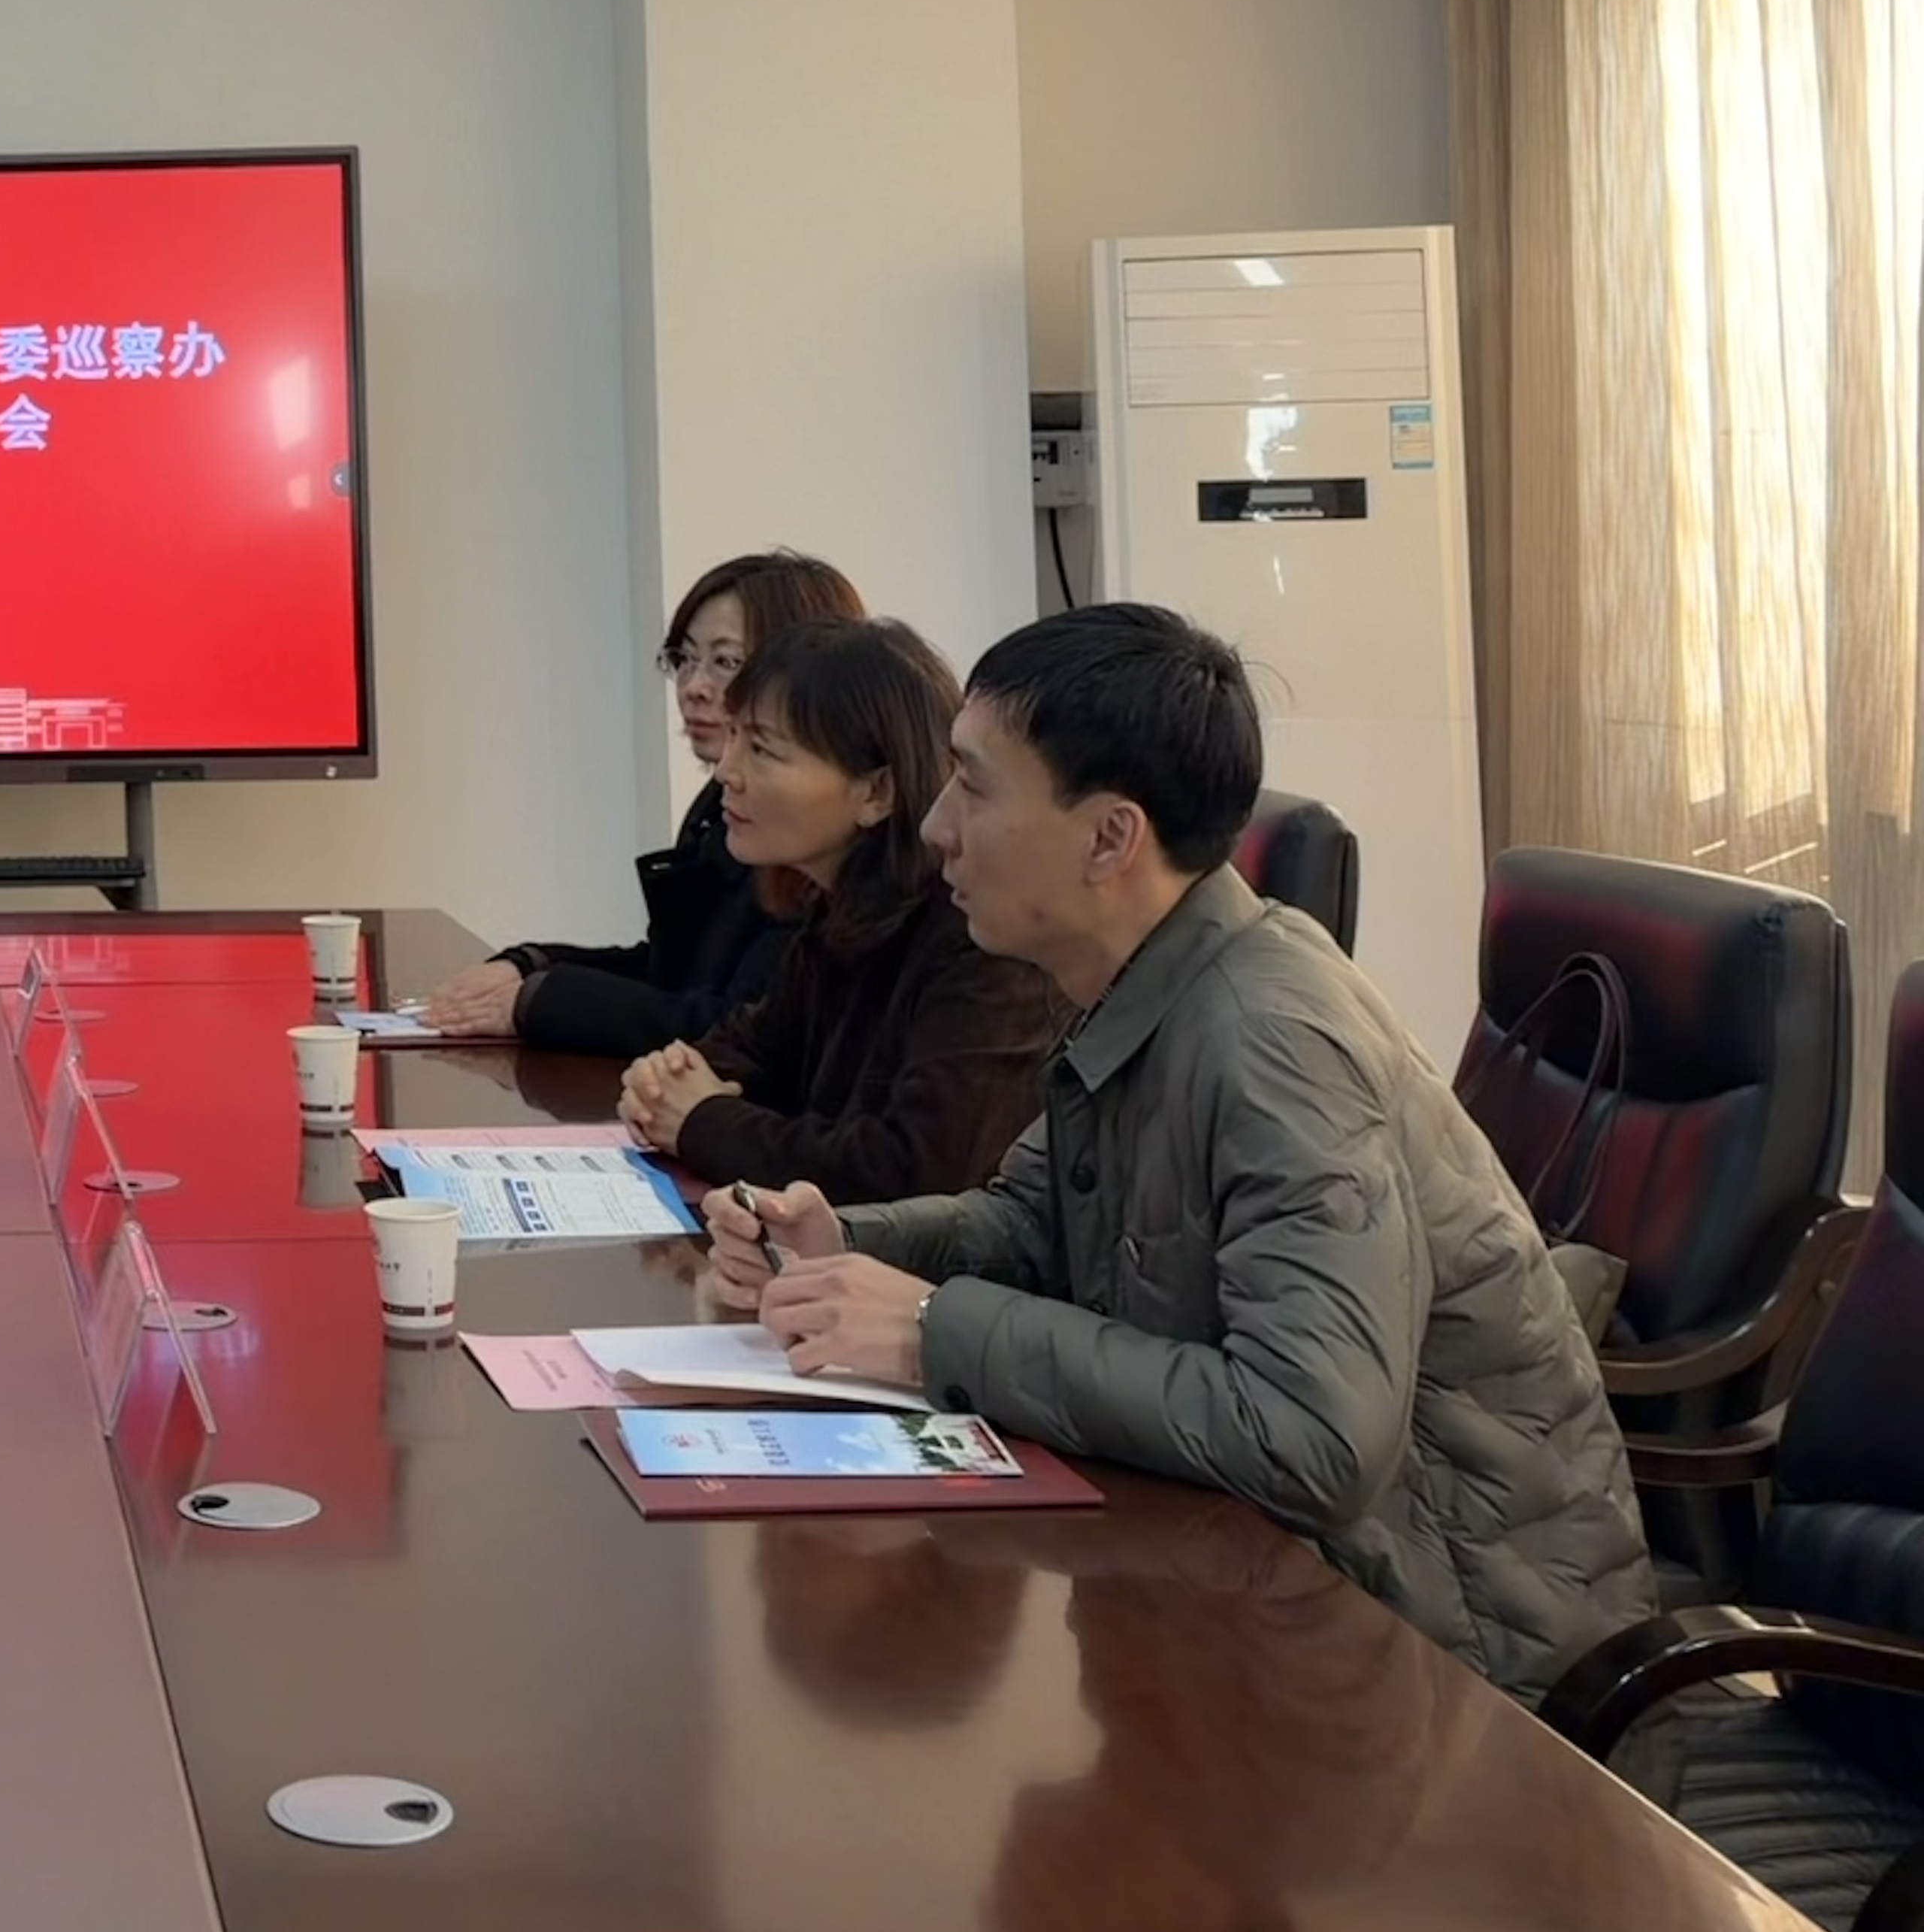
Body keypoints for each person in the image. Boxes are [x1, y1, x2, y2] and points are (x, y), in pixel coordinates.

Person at [712, 602, 1650, 1694]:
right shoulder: (1145, 979)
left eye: (974, 785)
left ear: (1112, 838)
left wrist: (933, 1331)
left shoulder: (1270, 1041)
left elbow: (1310, 1435)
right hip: (1268, 1589)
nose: (935, 827)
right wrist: (849, 1242)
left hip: (1455, 1660)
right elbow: (1031, 1221)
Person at [612, 617, 1062, 1201]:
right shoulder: (841, 907)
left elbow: (914, 1171)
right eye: (734, 738)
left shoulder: (979, 933)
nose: (726, 771)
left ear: (877, 792)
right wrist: (667, 1083)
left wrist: (701, 1120)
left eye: (762, 750)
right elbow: (753, 1048)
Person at [425, 549, 864, 1054]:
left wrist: (539, 1002)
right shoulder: (719, 805)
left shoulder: (818, 838)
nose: (693, 687)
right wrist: (530, 966)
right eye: (685, 660)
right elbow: (671, 972)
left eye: (725, 662)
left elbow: (742, 1027)